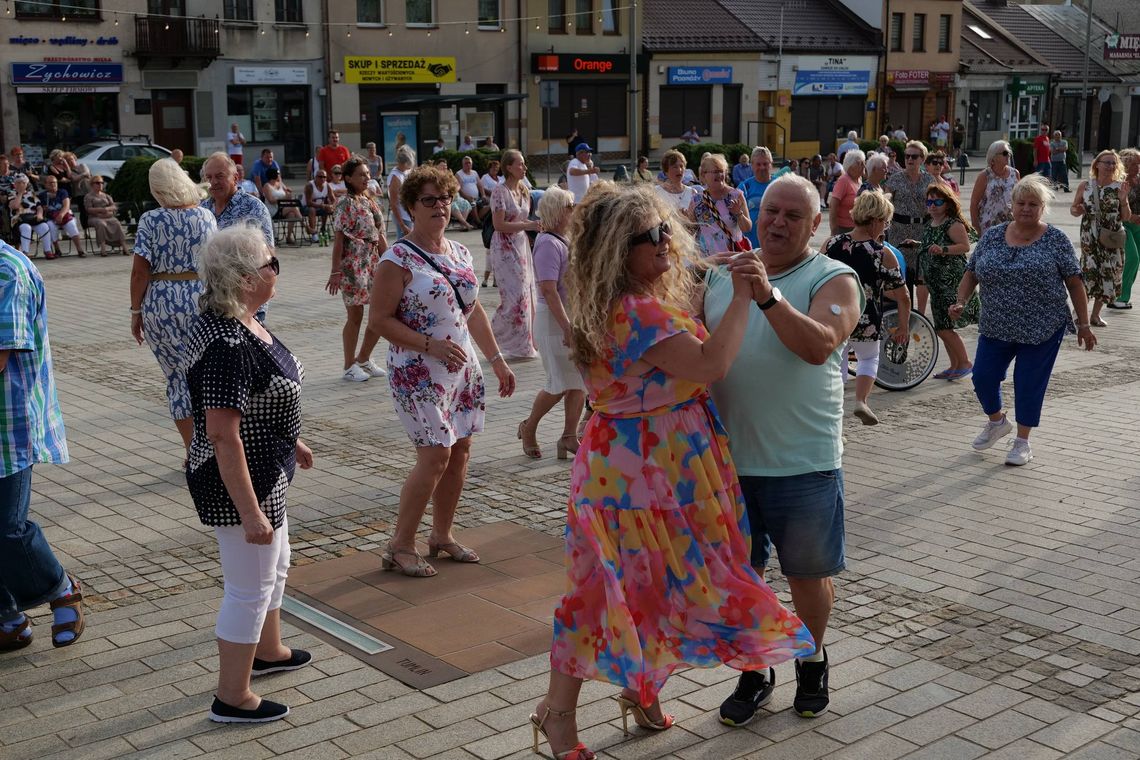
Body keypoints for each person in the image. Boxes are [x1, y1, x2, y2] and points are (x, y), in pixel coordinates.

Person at [533, 183, 812, 760]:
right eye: (649, 236)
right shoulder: (633, 311)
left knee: (651, 585)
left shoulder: (633, 298)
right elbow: (711, 364)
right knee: (600, 593)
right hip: (638, 475)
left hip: (654, 466)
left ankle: (643, 690)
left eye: (666, 230)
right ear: (616, 250)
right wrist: (742, 297)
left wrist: (717, 270)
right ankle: (556, 714)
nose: (665, 242)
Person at [706, 174, 862, 725]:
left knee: (807, 575)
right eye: (771, 210)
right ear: (756, 213)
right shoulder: (722, 275)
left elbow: (818, 346)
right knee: (741, 578)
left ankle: (811, 655)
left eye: (794, 215)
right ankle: (755, 668)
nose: (778, 222)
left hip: (803, 461)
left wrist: (767, 296)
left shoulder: (834, 277)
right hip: (725, 463)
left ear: (816, 224)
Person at [186, 226, 314, 723]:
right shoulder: (227, 342)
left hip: (267, 469)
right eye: (271, 264)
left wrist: (292, 438)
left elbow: (263, 395)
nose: (277, 269)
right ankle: (231, 697)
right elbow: (222, 433)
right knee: (248, 587)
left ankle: (269, 651)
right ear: (244, 278)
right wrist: (250, 513)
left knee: (276, 566)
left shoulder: (246, 320)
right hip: (239, 482)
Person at [368, 164, 516, 576]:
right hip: (417, 371)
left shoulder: (460, 252)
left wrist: (497, 360)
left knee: (460, 452)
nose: (439, 207)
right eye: (429, 200)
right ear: (411, 207)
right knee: (435, 455)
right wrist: (428, 343)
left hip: (461, 370)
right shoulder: (396, 258)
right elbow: (378, 321)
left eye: (445, 199)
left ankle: (442, 535)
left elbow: (473, 311)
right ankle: (400, 545)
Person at [953, 175, 1095, 466]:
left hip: (1042, 327)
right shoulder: (992, 236)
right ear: (1011, 204)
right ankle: (996, 422)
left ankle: (1022, 442)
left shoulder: (1055, 239)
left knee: (1028, 383)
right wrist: (961, 301)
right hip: (996, 325)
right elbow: (971, 272)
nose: (1026, 208)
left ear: (1042, 208)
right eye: (1021, 203)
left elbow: (1075, 282)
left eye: (1033, 204)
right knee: (982, 377)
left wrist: (1083, 323)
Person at [0, 237, 87, 654]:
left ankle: (61, 588)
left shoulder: (7, 271)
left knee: (8, 530)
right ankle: (8, 619)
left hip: (8, 425)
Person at [130, 158, 218, 451]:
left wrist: (135, 311)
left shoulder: (151, 220)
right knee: (205, 374)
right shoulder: (205, 216)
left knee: (177, 378)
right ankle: (215, 444)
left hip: (162, 302)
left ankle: (194, 450)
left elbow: (140, 272)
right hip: (201, 298)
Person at [823, 191, 910, 425]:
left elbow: (814, 279)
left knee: (837, 367)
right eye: (885, 222)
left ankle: (835, 423)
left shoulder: (831, 244)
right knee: (869, 358)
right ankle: (861, 400)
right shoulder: (882, 253)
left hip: (834, 318)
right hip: (866, 318)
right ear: (875, 220)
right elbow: (903, 296)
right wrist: (903, 327)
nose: (885, 228)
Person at [515, 187, 584, 460]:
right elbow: (548, 289)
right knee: (558, 383)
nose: (574, 210)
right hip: (554, 321)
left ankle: (569, 436)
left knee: (578, 381)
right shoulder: (547, 242)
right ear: (558, 210)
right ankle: (528, 427)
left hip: (569, 317)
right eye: (570, 206)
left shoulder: (564, 239)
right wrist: (566, 326)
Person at [326, 157, 389, 383]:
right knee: (356, 315)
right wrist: (335, 272)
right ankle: (348, 365)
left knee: (381, 313)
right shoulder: (345, 203)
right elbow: (339, 240)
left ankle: (364, 358)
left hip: (372, 263)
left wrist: (391, 260)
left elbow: (379, 235)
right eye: (361, 174)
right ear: (348, 178)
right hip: (352, 265)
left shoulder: (369, 201)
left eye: (368, 174)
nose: (366, 177)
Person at [200, 153, 275, 322]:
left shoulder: (253, 207)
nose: (213, 182)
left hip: (247, 300)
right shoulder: (202, 209)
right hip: (213, 298)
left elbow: (268, 253)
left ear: (235, 178)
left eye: (220, 176)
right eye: (209, 177)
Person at [921, 182, 979, 379]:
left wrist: (943, 250)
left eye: (937, 201)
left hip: (951, 282)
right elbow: (932, 244)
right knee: (942, 325)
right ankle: (954, 365)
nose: (932, 205)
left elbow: (964, 247)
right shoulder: (930, 222)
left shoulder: (952, 223)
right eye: (929, 201)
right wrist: (917, 244)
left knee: (944, 327)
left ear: (947, 203)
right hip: (936, 284)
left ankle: (964, 362)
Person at [490, 149, 541, 358]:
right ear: (508, 167)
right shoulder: (499, 191)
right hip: (503, 248)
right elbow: (499, 224)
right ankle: (496, 334)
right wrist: (528, 225)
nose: (524, 167)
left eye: (524, 163)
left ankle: (524, 344)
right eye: (520, 164)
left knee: (527, 294)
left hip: (520, 245)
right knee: (514, 297)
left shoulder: (524, 190)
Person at [1071, 149, 1131, 327]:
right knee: (1088, 275)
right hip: (1090, 238)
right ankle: (1078, 314)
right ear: (1097, 164)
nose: (1111, 166)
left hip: (1111, 239)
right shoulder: (1086, 186)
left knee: (1108, 276)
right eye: (1107, 162)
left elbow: (1126, 217)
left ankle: (1095, 315)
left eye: (1114, 163)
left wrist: (1123, 200)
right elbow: (1073, 209)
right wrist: (1079, 209)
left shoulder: (1120, 187)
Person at [884, 140, 934, 305]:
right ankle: (903, 313)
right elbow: (887, 199)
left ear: (922, 159)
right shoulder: (895, 179)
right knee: (900, 275)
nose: (910, 159)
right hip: (899, 231)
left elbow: (939, 203)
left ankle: (920, 317)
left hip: (922, 229)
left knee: (921, 276)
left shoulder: (930, 180)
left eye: (914, 156)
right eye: (907, 156)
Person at [690, 153, 751, 257]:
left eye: (721, 171)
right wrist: (683, 219)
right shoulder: (696, 200)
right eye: (715, 171)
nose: (719, 175)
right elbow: (690, 230)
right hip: (709, 260)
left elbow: (747, 228)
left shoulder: (736, 195)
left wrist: (739, 214)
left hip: (734, 257)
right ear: (704, 175)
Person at [970, 140, 1019, 235]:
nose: (1008, 155)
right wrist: (975, 227)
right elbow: (974, 203)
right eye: (1005, 153)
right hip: (988, 226)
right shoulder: (985, 176)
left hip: (1010, 224)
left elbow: (1019, 199)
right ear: (993, 157)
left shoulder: (1015, 174)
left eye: (1009, 153)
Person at [1115, 148, 1140, 310]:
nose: (1138, 167)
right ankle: (1119, 298)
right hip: (1123, 224)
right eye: (1135, 164)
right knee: (1132, 258)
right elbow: (1115, 207)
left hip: (1138, 225)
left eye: (1139, 164)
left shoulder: (1138, 180)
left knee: (1136, 262)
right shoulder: (1118, 182)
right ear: (1125, 163)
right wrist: (1132, 217)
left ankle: (1123, 296)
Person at [8, 174, 52, 259]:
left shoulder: (31, 194)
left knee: (44, 226)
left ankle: (48, 251)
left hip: (32, 218)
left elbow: (39, 207)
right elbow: (15, 206)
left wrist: (39, 214)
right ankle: (25, 253)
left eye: (23, 182)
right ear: (15, 184)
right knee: (26, 227)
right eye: (18, 183)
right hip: (18, 220)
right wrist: (20, 193)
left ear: (26, 184)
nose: (21, 184)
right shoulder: (11, 194)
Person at [38, 175, 82, 258]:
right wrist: (45, 208)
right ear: (45, 185)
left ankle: (80, 249)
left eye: (55, 183)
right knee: (50, 226)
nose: (53, 185)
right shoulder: (42, 195)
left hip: (64, 215)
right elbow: (41, 209)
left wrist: (61, 215)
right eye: (50, 183)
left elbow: (66, 206)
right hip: (51, 217)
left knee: (71, 225)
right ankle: (57, 249)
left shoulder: (62, 192)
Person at [738, 147, 774, 248]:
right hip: (749, 246)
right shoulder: (744, 187)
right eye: (758, 164)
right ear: (752, 166)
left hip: (774, 244)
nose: (762, 167)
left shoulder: (779, 185)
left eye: (765, 164)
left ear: (771, 164)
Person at [84, 175, 127, 256]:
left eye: (102, 183)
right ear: (92, 184)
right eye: (97, 183)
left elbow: (114, 206)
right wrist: (101, 210)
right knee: (101, 224)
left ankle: (124, 247)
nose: (100, 184)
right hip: (94, 217)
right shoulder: (88, 196)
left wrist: (107, 209)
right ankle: (103, 249)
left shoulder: (106, 195)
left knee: (116, 223)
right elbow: (88, 209)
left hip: (108, 216)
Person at [828, 149, 864, 236]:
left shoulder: (859, 180)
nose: (864, 166)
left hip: (856, 227)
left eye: (864, 162)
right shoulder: (843, 180)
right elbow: (833, 205)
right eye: (860, 163)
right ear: (851, 167)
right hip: (843, 229)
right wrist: (834, 230)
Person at [261, 167, 301, 245]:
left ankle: (289, 237)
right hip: (273, 211)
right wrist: (284, 198)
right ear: (274, 175)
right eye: (278, 174)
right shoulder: (267, 186)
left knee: (292, 214)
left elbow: (287, 194)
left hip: (282, 209)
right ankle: (305, 226)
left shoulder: (280, 184)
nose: (279, 175)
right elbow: (271, 200)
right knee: (294, 207)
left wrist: (288, 192)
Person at [655, 150, 697, 217]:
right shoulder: (656, 192)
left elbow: (697, 220)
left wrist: (689, 217)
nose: (679, 170)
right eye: (675, 167)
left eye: (681, 166)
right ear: (666, 170)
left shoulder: (692, 192)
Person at [388, 145, 415, 241]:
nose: (410, 167)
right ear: (402, 163)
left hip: (409, 213)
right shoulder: (395, 177)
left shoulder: (406, 171)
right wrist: (402, 225)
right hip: (402, 215)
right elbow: (394, 203)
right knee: (404, 241)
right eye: (408, 164)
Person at [304, 169, 335, 241]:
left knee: (330, 208)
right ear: (315, 177)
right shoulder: (310, 185)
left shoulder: (327, 185)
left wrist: (331, 206)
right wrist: (322, 206)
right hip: (306, 207)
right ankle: (314, 234)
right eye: (320, 177)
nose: (322, 179)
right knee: (312, 209)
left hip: (320, 206)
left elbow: (333, 199)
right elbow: (308, 202)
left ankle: (323, 228)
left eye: (324, 177)